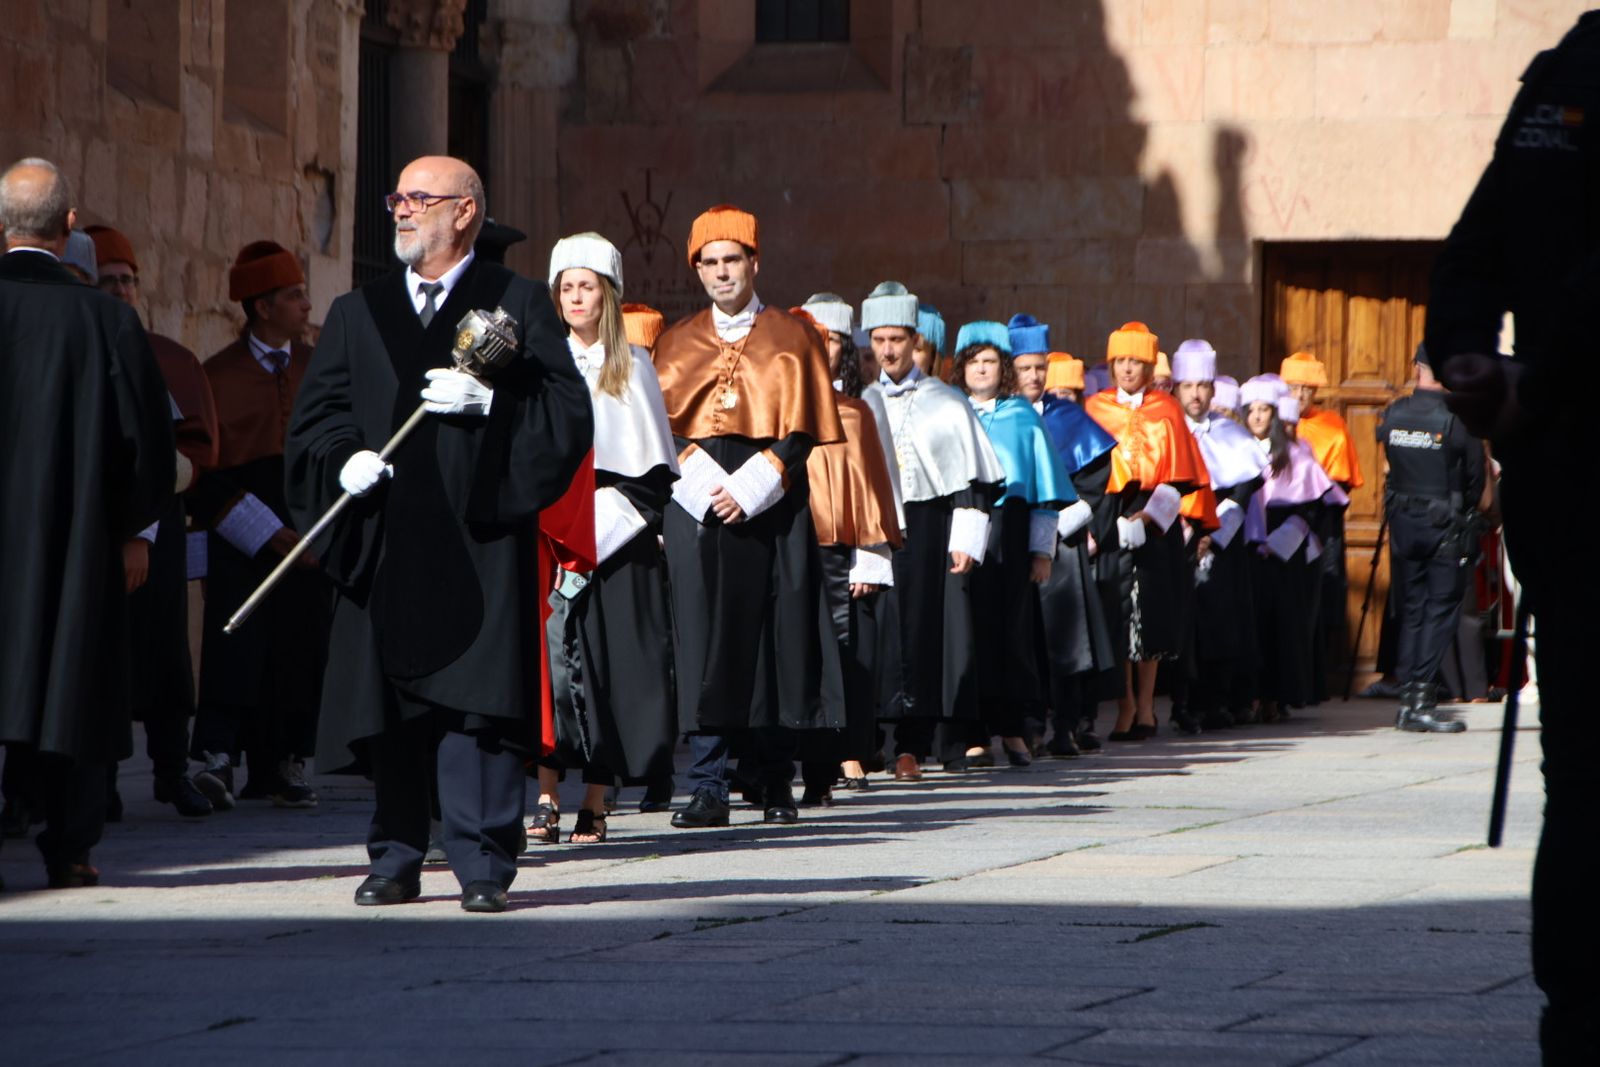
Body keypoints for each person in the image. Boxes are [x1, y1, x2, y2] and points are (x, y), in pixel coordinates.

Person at [285, 155, 592, 912]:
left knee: (475, 707)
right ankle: (394, 852)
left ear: (465, 212)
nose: (400, 210)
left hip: (476, 537)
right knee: (389, 705)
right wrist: (340, 460)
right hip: (386, 537)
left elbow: (567, 413)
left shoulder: (515, 302)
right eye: (397, 197)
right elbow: (317, 417)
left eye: (419, 198)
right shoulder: (361, 311)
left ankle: (482, 856)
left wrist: (495, 409)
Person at [1427, 20, 1600, 1058]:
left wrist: (1479, 361)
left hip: (1558, 448)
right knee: (1583, 769)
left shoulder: (1563, 69)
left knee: (1582, 772)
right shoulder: (1564, 72)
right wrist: (1472, 360)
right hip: (1571, 457)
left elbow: (1471, 257)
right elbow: (1478, 246)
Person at [0, 157, 174, 889]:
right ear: (70, 226)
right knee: (73, 679)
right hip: (77, 546)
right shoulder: (108, 320)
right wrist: (134, 527)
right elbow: (145, 443)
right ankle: (70, 848)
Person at [652, 205, 845, 828]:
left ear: (754, 263)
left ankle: (774, 779)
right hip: (698, 503)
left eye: (731, 259)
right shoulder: (676, 340)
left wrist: (757, 482)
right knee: (704, 634)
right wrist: (706, 484)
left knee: (773, 632)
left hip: (771, 500)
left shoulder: (793, 336)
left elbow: (804, 427)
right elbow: (660, 429)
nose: (720, 272)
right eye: (708, 262)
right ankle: (707, 782)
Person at [533, 233, 679, 844]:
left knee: (607, 670)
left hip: (617, 537)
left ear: (608, 296)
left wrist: (598, 531)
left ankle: (595, 796)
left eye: (586, 286)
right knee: (548, 667)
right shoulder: (541, 361)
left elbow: (652, 476)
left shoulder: (635, 367)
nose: (575, 297)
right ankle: (544, 793)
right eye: (565, 287)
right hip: (548, 529)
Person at [187, 241, 328, 811]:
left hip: (306, 521)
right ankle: (218, 756)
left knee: (299, 642)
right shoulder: (215, 375)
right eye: (294, 296)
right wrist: (266, 531)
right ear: (262, 306)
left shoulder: (316, 364)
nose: (305, 305)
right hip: (238, 522)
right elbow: (204, 466)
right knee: (235, 637)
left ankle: (284, 761)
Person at [87, 224, 221, 819]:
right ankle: (99, 783)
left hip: (157, 529)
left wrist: (142, 516)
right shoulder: (79, 344)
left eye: (127, 281)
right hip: (91, 532)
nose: (120, 291)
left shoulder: (170, 358)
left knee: (166, 654)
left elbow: (196, 448)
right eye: (107, 281)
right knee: (96, 660)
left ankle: (171, 771)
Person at [865, 282, 1005, 777]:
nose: (888, 350)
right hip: (879, 528)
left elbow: (972, 480)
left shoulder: (946, 401)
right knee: (880, 632)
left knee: (929, 631)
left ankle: (918, 740)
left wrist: (966, 536)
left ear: (913, 339)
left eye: (897, 340)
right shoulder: (864, 401)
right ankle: (874, 739)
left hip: (931, 527)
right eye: (879, 340)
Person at [791, 305, 901, 804]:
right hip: (786, 545)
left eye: (833, 339)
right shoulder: (774, 408)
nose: (822, 347)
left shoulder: (855, 412)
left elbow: (874, 485)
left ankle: (836, 753)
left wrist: (872, 555)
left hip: (835, 549)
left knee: (839, 652)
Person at [954, 319, 1073, 766]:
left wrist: (1042, 550)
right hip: (961, 524)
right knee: (967, 629)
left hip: (1010, 526)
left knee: (1012, 631)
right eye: (974, 361)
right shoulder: (951, 411)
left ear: (1002, 367)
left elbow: (1043, 487)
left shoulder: (1021, 415)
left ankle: (1015, 729)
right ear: (961, 366)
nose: (982, 369)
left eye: (990, 361)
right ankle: (974, 731)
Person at [1082, 323, 1210, 741]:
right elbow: (1087, 474)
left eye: (1135, 361)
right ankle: (1123, 706)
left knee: (1149, 615)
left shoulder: (1167, 409)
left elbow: (1183, 477)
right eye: (1120, 361)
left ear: (1148, 365)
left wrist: (1150, 518)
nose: (1126, 369)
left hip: (1156, 521)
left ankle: (1148, 706)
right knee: (1117, 614)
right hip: (1109, 515)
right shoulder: (1096, 407)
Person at [1377, 346, 1485, 733]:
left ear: (1416, 369)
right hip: (1444, 528)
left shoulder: (1394, 414)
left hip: (1405, 524)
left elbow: (1390, 463)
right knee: (1439, 612)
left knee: (1412, 612)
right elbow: (1476, 480)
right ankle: (1420, 699)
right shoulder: (1457, 418)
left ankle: (1408, 697)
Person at [1171, 340, 1266, 730]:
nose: (1196, 394)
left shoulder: (1231, 434)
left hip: (1222, 545)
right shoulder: (1166, 431)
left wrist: (1210, 531)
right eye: (1188, 385)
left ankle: (1217, 700)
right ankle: (1182, 703)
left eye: (1203, 385)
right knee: (1181, 625)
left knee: (1221, 623)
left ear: (1213, 389)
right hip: (1175, 538)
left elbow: (1243, 488)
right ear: (1175, 388)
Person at [1239, 378, 1346, 721]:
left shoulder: (1297, 453)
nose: (1257, 417)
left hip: (1286, 554)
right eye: (1250, 410)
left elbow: (1315, 507)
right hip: (1244, 549)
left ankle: (1275, 696)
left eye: (1264, 410)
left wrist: (1280, 542)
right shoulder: (1235, 449)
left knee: (1282, 626)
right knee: (1248, 624)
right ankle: (1245, 696)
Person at [1033, 354, 1118, 756]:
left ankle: (1066, 725)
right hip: (1015, 538)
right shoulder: (1004, 414)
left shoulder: (1070, 418)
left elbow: (1094, 481)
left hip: (1062, 542)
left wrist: (1056, 526)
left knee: (1066, 639)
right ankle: (1028, 725)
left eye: (1037, 370)